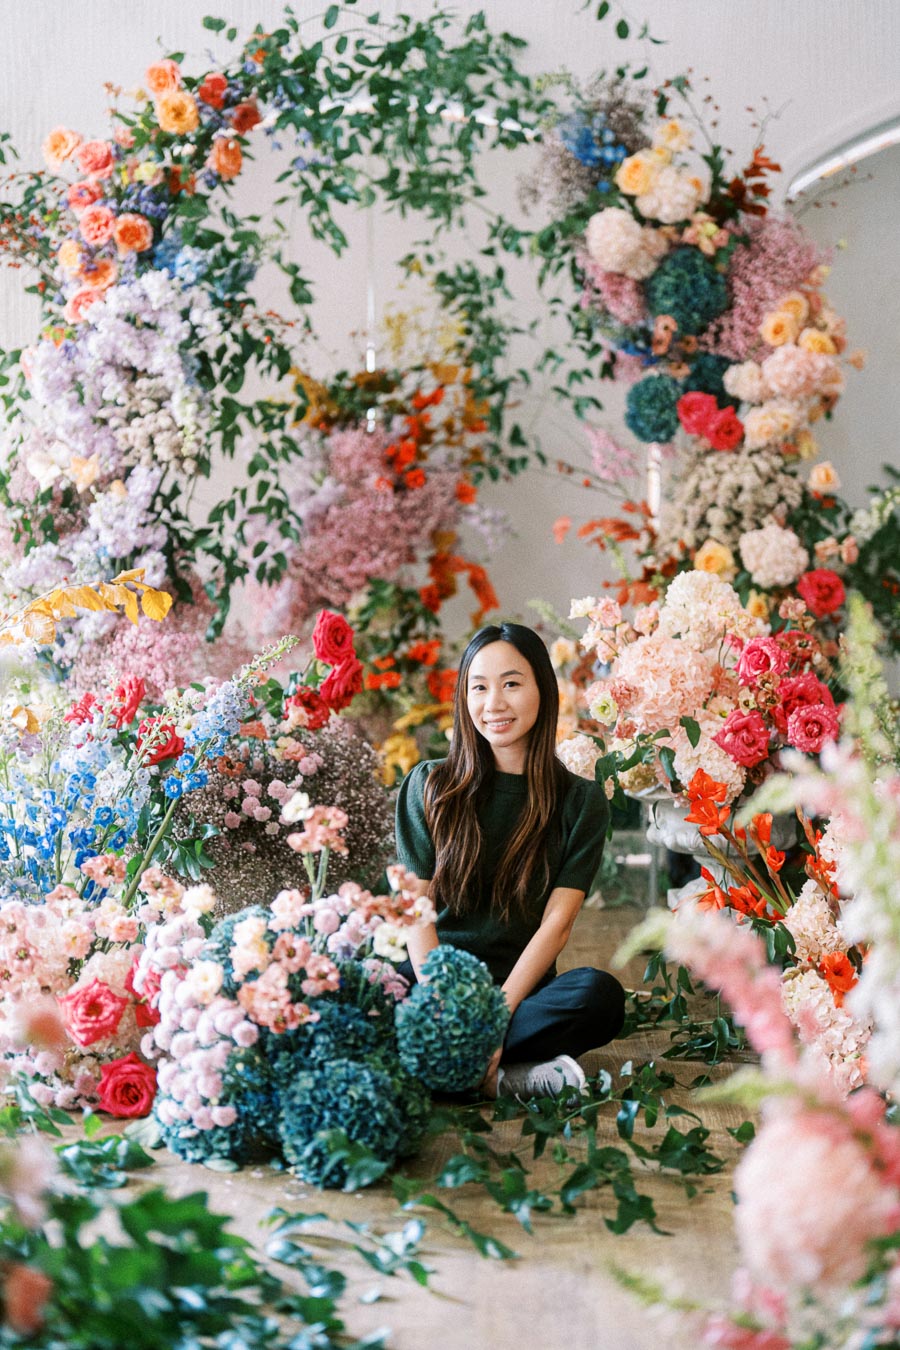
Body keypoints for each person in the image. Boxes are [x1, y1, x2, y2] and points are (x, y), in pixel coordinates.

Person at [395, 621, 625, 1100]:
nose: (493, 704)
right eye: (478, 687)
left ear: (543, 689)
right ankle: (506, 1078)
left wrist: (493, 1017)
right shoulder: (429, 786)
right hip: (432, 982)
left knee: (597, 998)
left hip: (518, 993)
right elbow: (413, 911)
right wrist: (448, 1007)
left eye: (512, 684)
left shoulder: (580, 802)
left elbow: (556, 927)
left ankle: (448, 1064)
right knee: (355, 987)